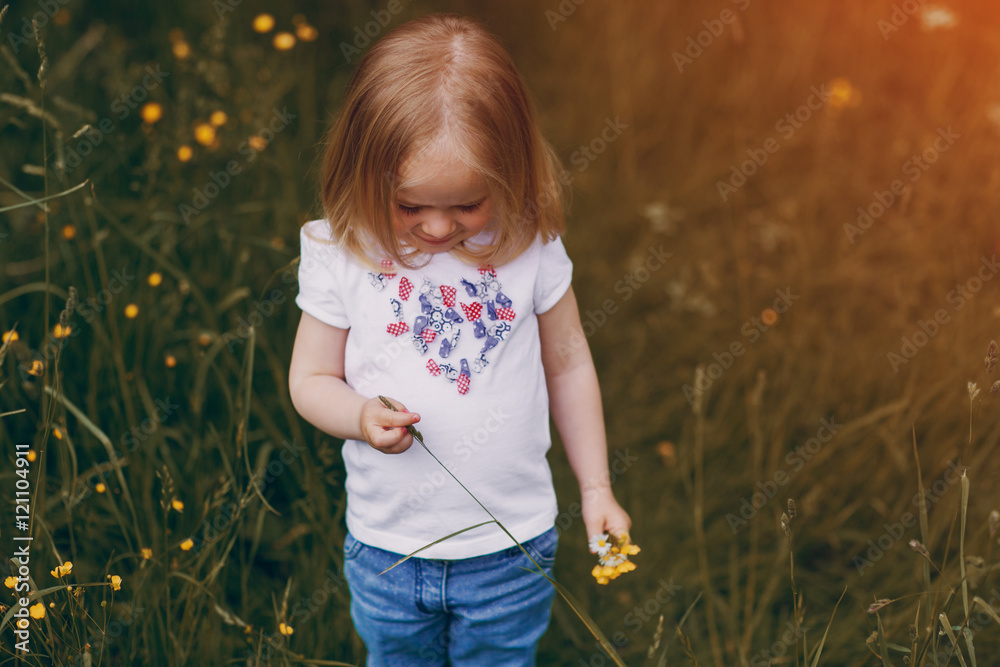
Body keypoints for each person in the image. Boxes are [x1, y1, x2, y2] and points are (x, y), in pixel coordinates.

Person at [287, 12, 631, 666]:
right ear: (364, 170)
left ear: (512, 174)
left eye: (467, 204)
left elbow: (568, 362)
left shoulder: (527, 243)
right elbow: (309, 379)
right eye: (410, 206)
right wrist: (359, 417)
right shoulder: (342, 249)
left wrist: (596, 487)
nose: (439, 227)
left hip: (511, 546)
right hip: (389, 545)